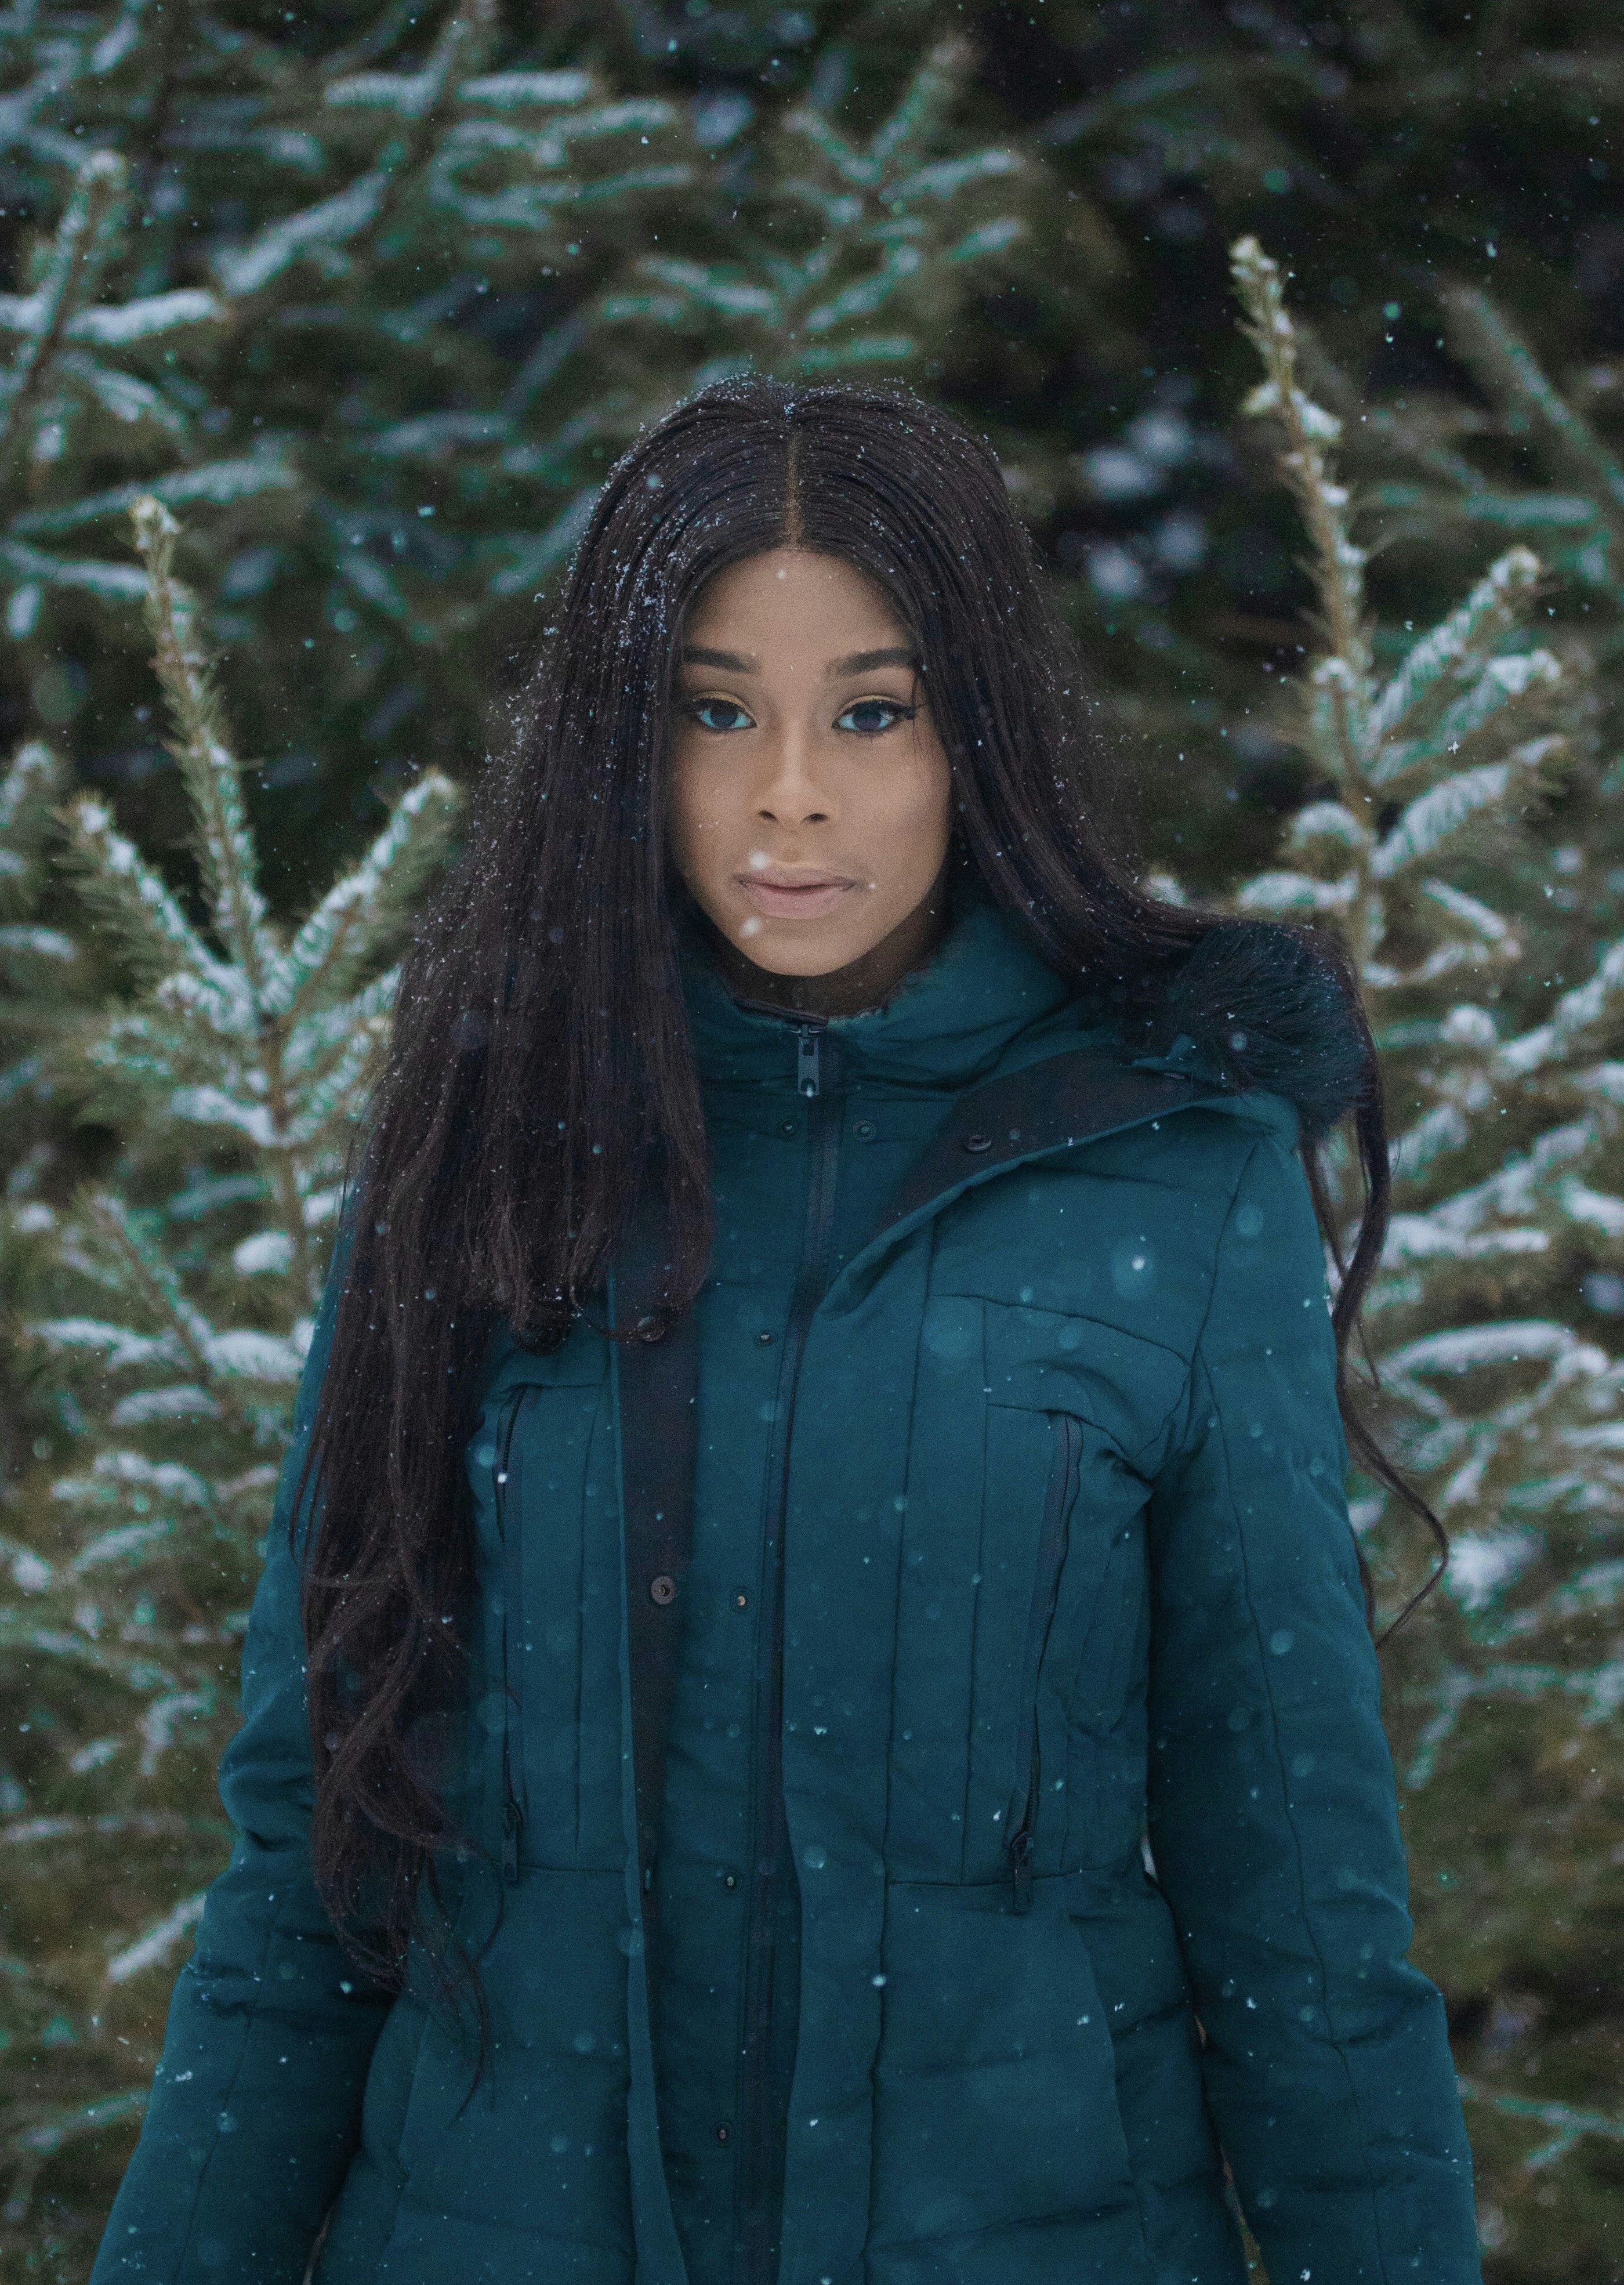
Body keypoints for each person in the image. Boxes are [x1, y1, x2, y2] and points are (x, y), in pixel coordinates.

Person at [92, 379, 1481, 2285]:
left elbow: (1301, 1906)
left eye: (874, 712)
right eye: (717, 711)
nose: (792, 793)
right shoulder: (488, 1148)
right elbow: (310, 1866)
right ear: (623, 742)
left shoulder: (1174, 1165)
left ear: (974, 727)